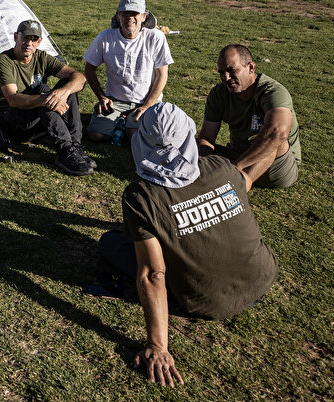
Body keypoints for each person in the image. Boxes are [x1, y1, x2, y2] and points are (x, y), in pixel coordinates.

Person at [97, 102, 278, 386]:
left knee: (110, 242)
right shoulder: (220, 166)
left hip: (207, 302)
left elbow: (153, 274)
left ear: (142, 141)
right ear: (188, 136)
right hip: (262, 278)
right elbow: (243, 183)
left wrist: (158, 346)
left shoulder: (141, 196)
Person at [0, 20, 96, 176]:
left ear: (39, 41)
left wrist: (63, 93)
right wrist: (47, 99)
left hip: (36, 116)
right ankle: (64, 150)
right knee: (43, 90)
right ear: (15, 37)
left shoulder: (42, 57)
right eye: (25, 38)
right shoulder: (4, 60)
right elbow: (12, 99)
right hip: (11, 122)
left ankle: (74, 146)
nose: (29, 43)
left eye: (34, 39)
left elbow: (79, 77)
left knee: (68, 83)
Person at [197, 44, 301, 189]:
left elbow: (278, 134)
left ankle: (240, 186)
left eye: (232, 71)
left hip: (277, 167)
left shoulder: (272, 92)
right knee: (190, 144)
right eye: (221, 72)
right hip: (238, 156)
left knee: (273, 138)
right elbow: (207, 137)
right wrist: (203, 161)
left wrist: (236, 167)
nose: (226, 78)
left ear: (251, 68)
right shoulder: (219, 94)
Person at [83, 0, 174, 143]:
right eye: (125, 13)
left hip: (146, 101)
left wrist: (146, 106)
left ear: (144, 17)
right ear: (118, 15)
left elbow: (161, 75)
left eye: (135, 14)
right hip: (115, 100)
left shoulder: (156, 37)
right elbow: (89, 68)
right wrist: (102, 97)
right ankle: (121, 123)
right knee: (96, 135)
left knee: (136, 136)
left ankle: (126, 125)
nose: (130, 18)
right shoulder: (105, 37)